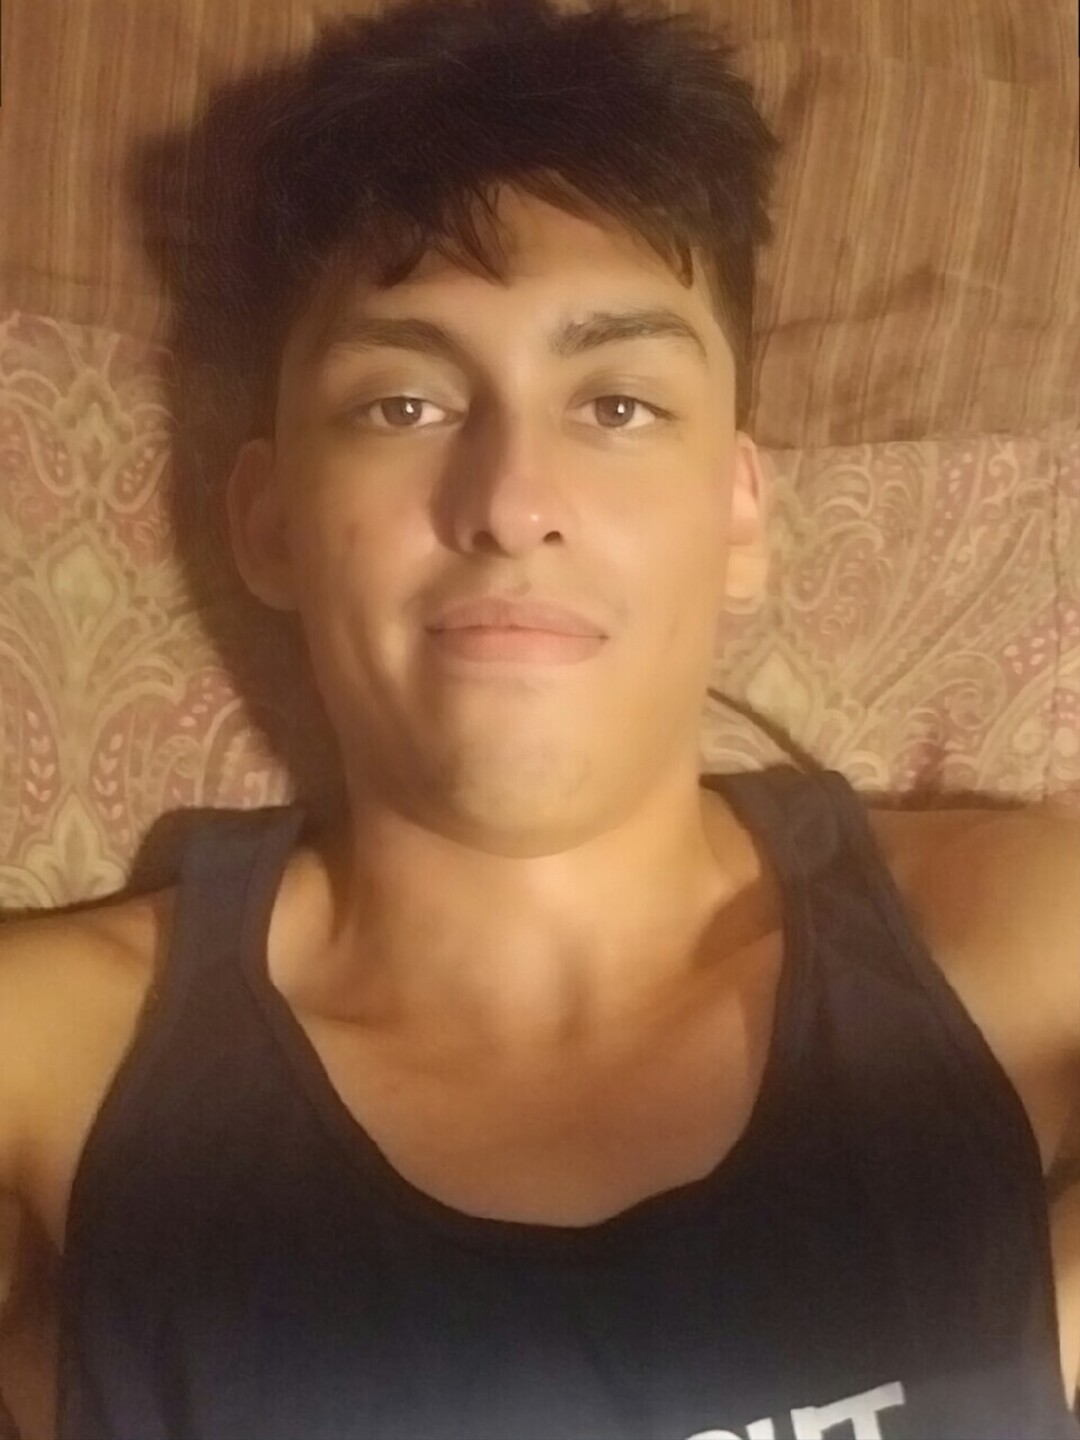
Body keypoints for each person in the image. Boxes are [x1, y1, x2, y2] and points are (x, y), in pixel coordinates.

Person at [1, 0, 1078, 1436]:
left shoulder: (1015, 945)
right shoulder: (52, 1056)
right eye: (403, 405)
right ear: (264, 519)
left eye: (618, 405)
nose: (511, 505)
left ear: (741, 513)